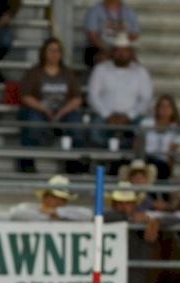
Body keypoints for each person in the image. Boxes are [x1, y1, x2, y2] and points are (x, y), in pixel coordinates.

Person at [18, 37, 84, 173]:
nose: (54, 54)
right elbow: (25, 96)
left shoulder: (68, 74)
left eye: (58, 51)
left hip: (63, 112)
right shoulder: (34, 72)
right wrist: (44, 109)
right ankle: (27, 160)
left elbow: (77, 98)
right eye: (51, 50)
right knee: (33, 121)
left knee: (75, 122)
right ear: (44, 53)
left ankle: (74, 161)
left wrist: (61, 112)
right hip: (39, 110)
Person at [86, 33, 152, 149]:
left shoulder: (141, 72)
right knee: (94, 133)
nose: (121, 54)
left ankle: (126, 155)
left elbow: (146, 99)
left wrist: (128, 116)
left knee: (145, 131)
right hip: (105, 115)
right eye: (118, 50)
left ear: (131, 53)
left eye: (125, 50)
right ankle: (108, 157)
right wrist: (108, 115)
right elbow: (93, 96)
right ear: (112, 52)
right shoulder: (101, 69)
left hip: (132, 117)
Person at [137, 94, 180, 180]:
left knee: (162, 170)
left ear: (173, 109)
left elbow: (171, 154)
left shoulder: (176, 128)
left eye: (168, 106)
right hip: (146, 159)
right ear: (157, 108)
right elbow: (137, 144)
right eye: (162, 106)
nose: (165, 109)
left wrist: (171, 171)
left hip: (162, 163)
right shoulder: (146, 123)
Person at [83, 0, 139, 67]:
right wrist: (108, 50)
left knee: (133, 61)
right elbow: (92, 36)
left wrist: (121, 46)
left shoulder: (129, 11)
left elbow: (135, 34)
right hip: (98, 47)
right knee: (102, 58)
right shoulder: (95, 11)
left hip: (121, 47)